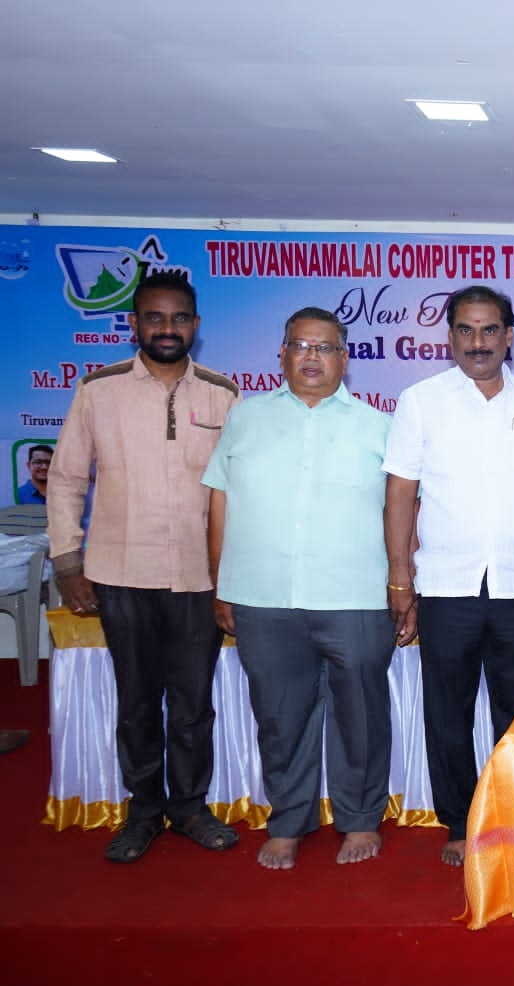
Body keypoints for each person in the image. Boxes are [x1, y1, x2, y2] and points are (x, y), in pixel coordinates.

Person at [47, 270, 241, 863]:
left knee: (192, 701)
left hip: (198, 576)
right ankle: (144, 811)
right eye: (154, 318)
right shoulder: (98, 391)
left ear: (196, 325)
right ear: (133, 323)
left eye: (179, 318)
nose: (167, 328)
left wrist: (236, 574)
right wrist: (68, 562)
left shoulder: (223, 394)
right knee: (135, 700)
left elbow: (239, 490)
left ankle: (190, 808)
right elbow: (67, 478)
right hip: (120, 573)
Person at [382, 285, 514, 868]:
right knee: (448, 711)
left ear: (508, 336)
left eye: (489, 330)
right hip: (447, 585)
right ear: (450, 337)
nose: (478, 342)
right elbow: (400, 493)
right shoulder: (421, 402)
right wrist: (400, 578)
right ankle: (460, 821)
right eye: (465, 331)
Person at [203, 307, 394, 870]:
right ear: (282, 354)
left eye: (325, 347)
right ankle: (288, 820)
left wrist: (403, 584)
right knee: (280, 715)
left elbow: (402, 514)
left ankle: (360, 818)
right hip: (262, 594)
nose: (312, 356)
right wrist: (221, 583)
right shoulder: (245, 418)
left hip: (357, 596)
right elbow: (219, 500)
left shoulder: (379, 426)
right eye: (300, 345)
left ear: (345, 359)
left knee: (361, 714)